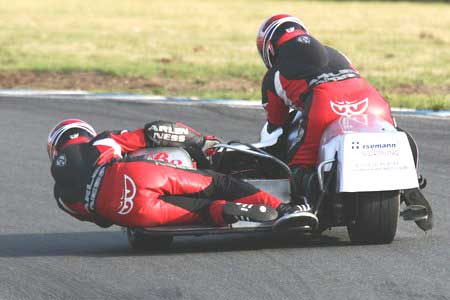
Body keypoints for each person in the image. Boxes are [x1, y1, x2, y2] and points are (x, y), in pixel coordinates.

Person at [255, 14, 433, 230]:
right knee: (395, 136)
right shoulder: (337, 53)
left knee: (298, 165)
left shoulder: (275, 74)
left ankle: (308, 206)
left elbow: (275, 128)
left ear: (269, 49)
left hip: (324, 106)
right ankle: (410, 184)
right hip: (371, 101)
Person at [48, 119, 309, 229]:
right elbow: (156, 131)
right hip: (137, 174)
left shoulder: (61, 197)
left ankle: (227, 210)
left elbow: (102, 221)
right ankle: (283, 209)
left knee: (200, 211)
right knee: (217, 182)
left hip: (126, 211)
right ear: (85, 134)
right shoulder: (101, 143)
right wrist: (201, 141)